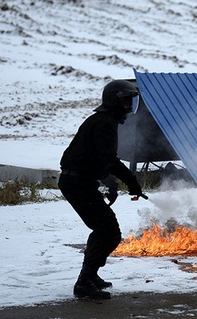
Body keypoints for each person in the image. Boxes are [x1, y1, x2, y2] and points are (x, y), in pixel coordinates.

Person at [58, 79, 146, 300]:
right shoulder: (104, 123)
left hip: (81, 182)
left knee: (102, 229)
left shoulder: (104, 121)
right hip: (77, 183)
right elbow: (109, 159)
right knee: (108, 232)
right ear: (115, 102)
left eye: (131, 102)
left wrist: (110, 183)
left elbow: (97, 158)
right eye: (126, 102)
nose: (129, 107)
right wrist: (131, 181)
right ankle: (84, 282)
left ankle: (91, 275)